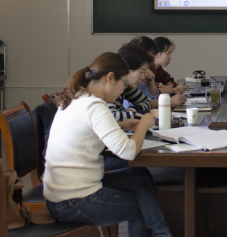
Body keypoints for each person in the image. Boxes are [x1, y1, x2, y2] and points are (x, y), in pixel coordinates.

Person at [43, 52, 172, 237]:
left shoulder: (79, 98)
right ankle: (162, 233)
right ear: (110, 78)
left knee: (141, 176)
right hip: (73, 201)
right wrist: (144, 124)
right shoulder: (95, 106)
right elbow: (128, 152)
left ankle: (162, 233)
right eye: (123, 84)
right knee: (140, 208)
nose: (122, 91)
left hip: (62, 194)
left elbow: (87, 131)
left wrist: (120, 125)